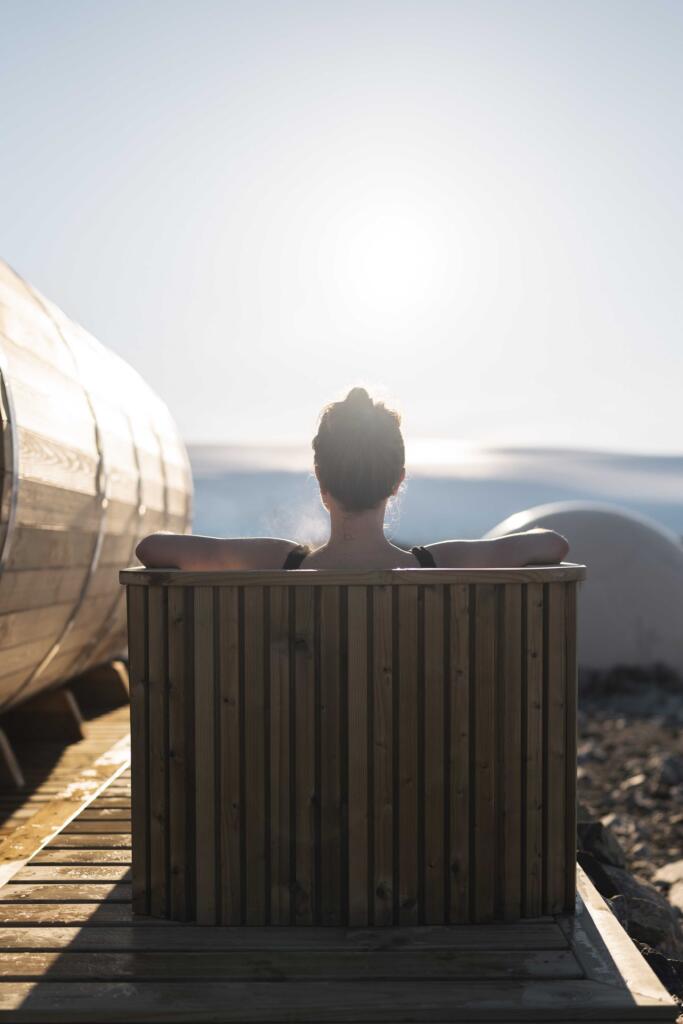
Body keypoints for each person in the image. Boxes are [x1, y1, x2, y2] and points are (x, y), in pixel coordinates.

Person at [135, 386, 569, 571]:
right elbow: (551, 544)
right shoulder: (434, 565)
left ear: (320, 480)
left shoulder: (281, 562)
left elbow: (152, 548)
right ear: (397, 481)